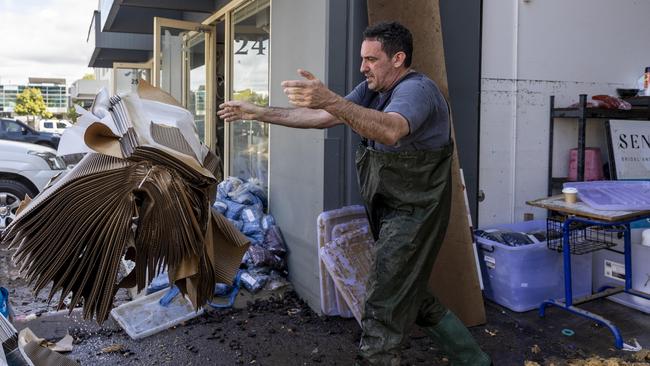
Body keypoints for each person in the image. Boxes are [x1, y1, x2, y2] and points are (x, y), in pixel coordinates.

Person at [218, 21, 491, 366]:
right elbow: (319, 115)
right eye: (362, 59)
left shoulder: (417, 90)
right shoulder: (371, 90)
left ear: (398, 59)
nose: (362, 67)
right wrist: (258, 113)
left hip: (417, 212)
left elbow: (391, 130)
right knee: (413, 294)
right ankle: (476, 361)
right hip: (390, 207)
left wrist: (331, 99)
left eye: (371, 59)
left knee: (382, 300)